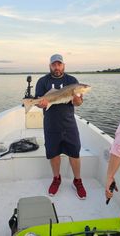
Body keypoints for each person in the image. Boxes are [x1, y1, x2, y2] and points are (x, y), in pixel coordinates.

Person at [35, 54, 86, 199]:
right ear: (50, 65)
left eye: (59, 64)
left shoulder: (72, 81)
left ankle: (77, 181)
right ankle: (56, 178)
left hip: (69, 123)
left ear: (64, 65)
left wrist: (76, 98)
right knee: (54, 153)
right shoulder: (43, 81)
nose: (56, 67)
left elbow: (78, 103)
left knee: (74, 152)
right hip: (51, 123)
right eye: (54, 65)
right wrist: (40, 104)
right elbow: (39, 103)